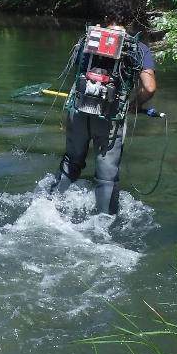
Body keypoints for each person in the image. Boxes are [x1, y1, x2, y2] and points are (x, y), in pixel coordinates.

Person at [53, 15, 156, 215]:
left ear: (107, 17)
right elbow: (149, 87)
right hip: (111, 117)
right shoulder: (137, 47)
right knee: (106, 176)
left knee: (71, 162)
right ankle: (103, 224)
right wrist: (134, 105)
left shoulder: (87, 39)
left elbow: (78, 72)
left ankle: (48, 207)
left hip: (80, 111)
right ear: (128, 18)